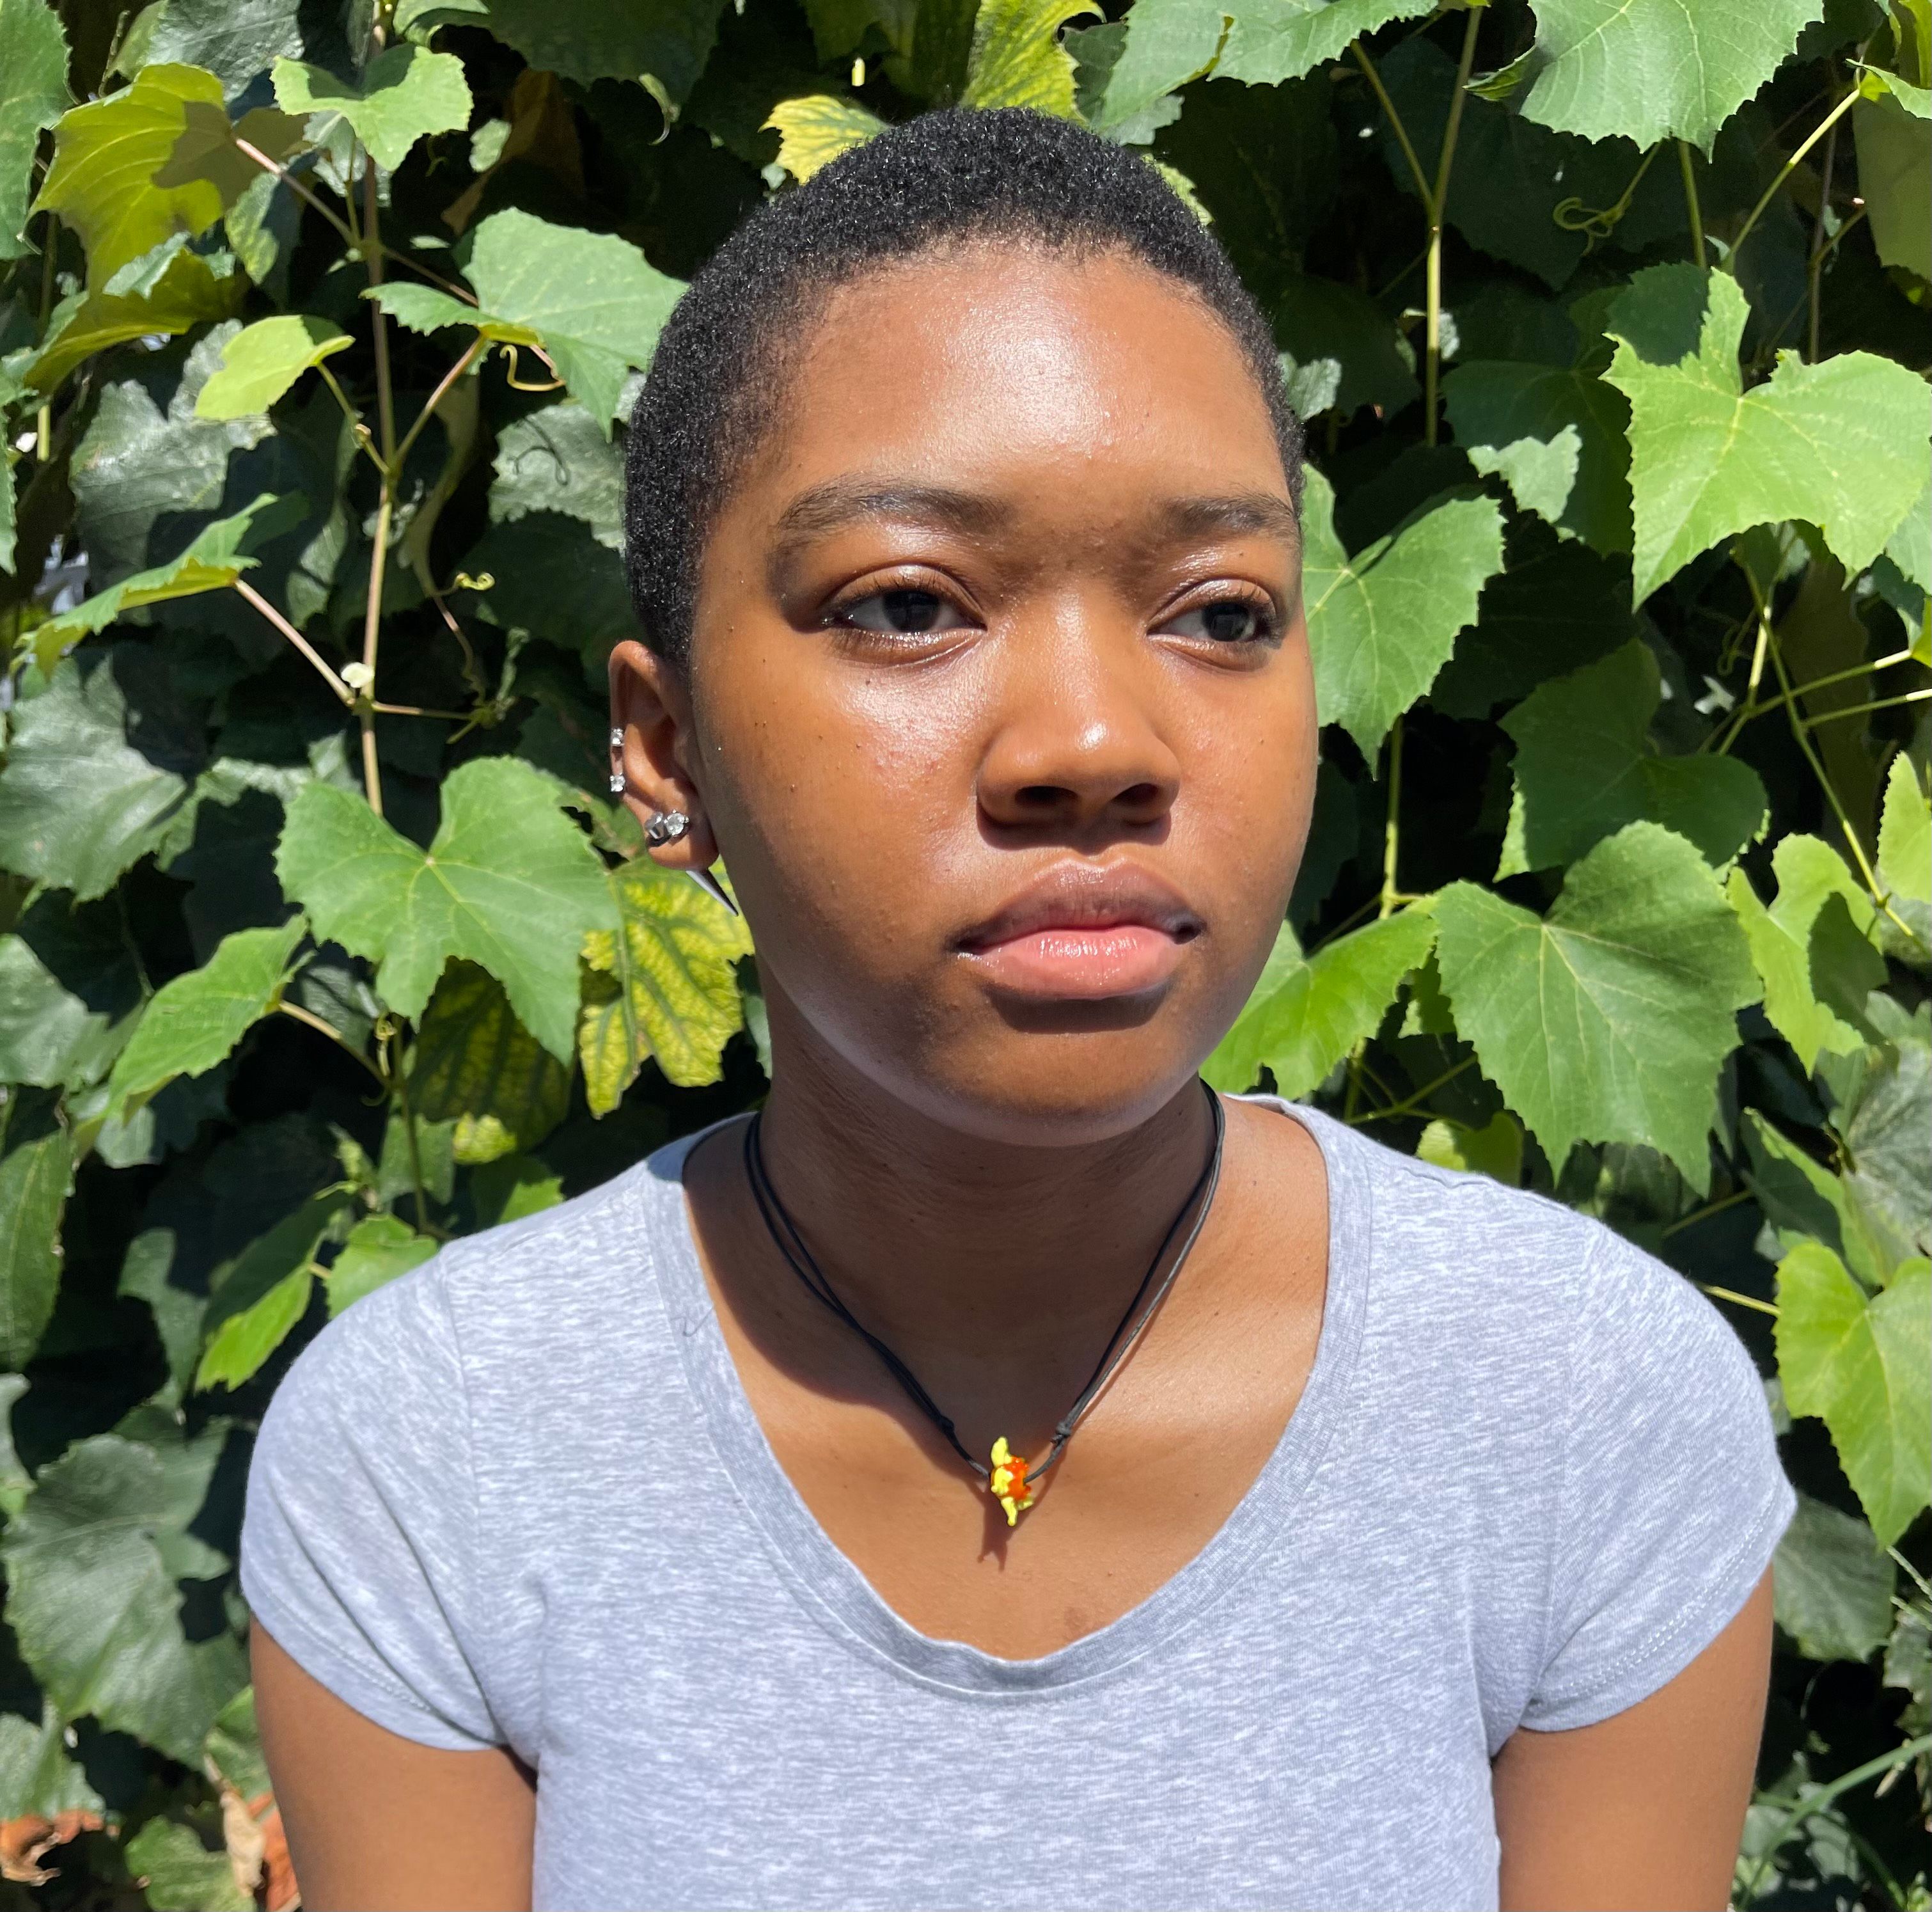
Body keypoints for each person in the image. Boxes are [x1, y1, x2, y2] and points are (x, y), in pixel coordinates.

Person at [242, 106, 1796, 1912]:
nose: (1094, 746)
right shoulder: (440, 1458)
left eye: (1218, 615)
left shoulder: (1576, 1410)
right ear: (666, 753)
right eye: (910, 603)